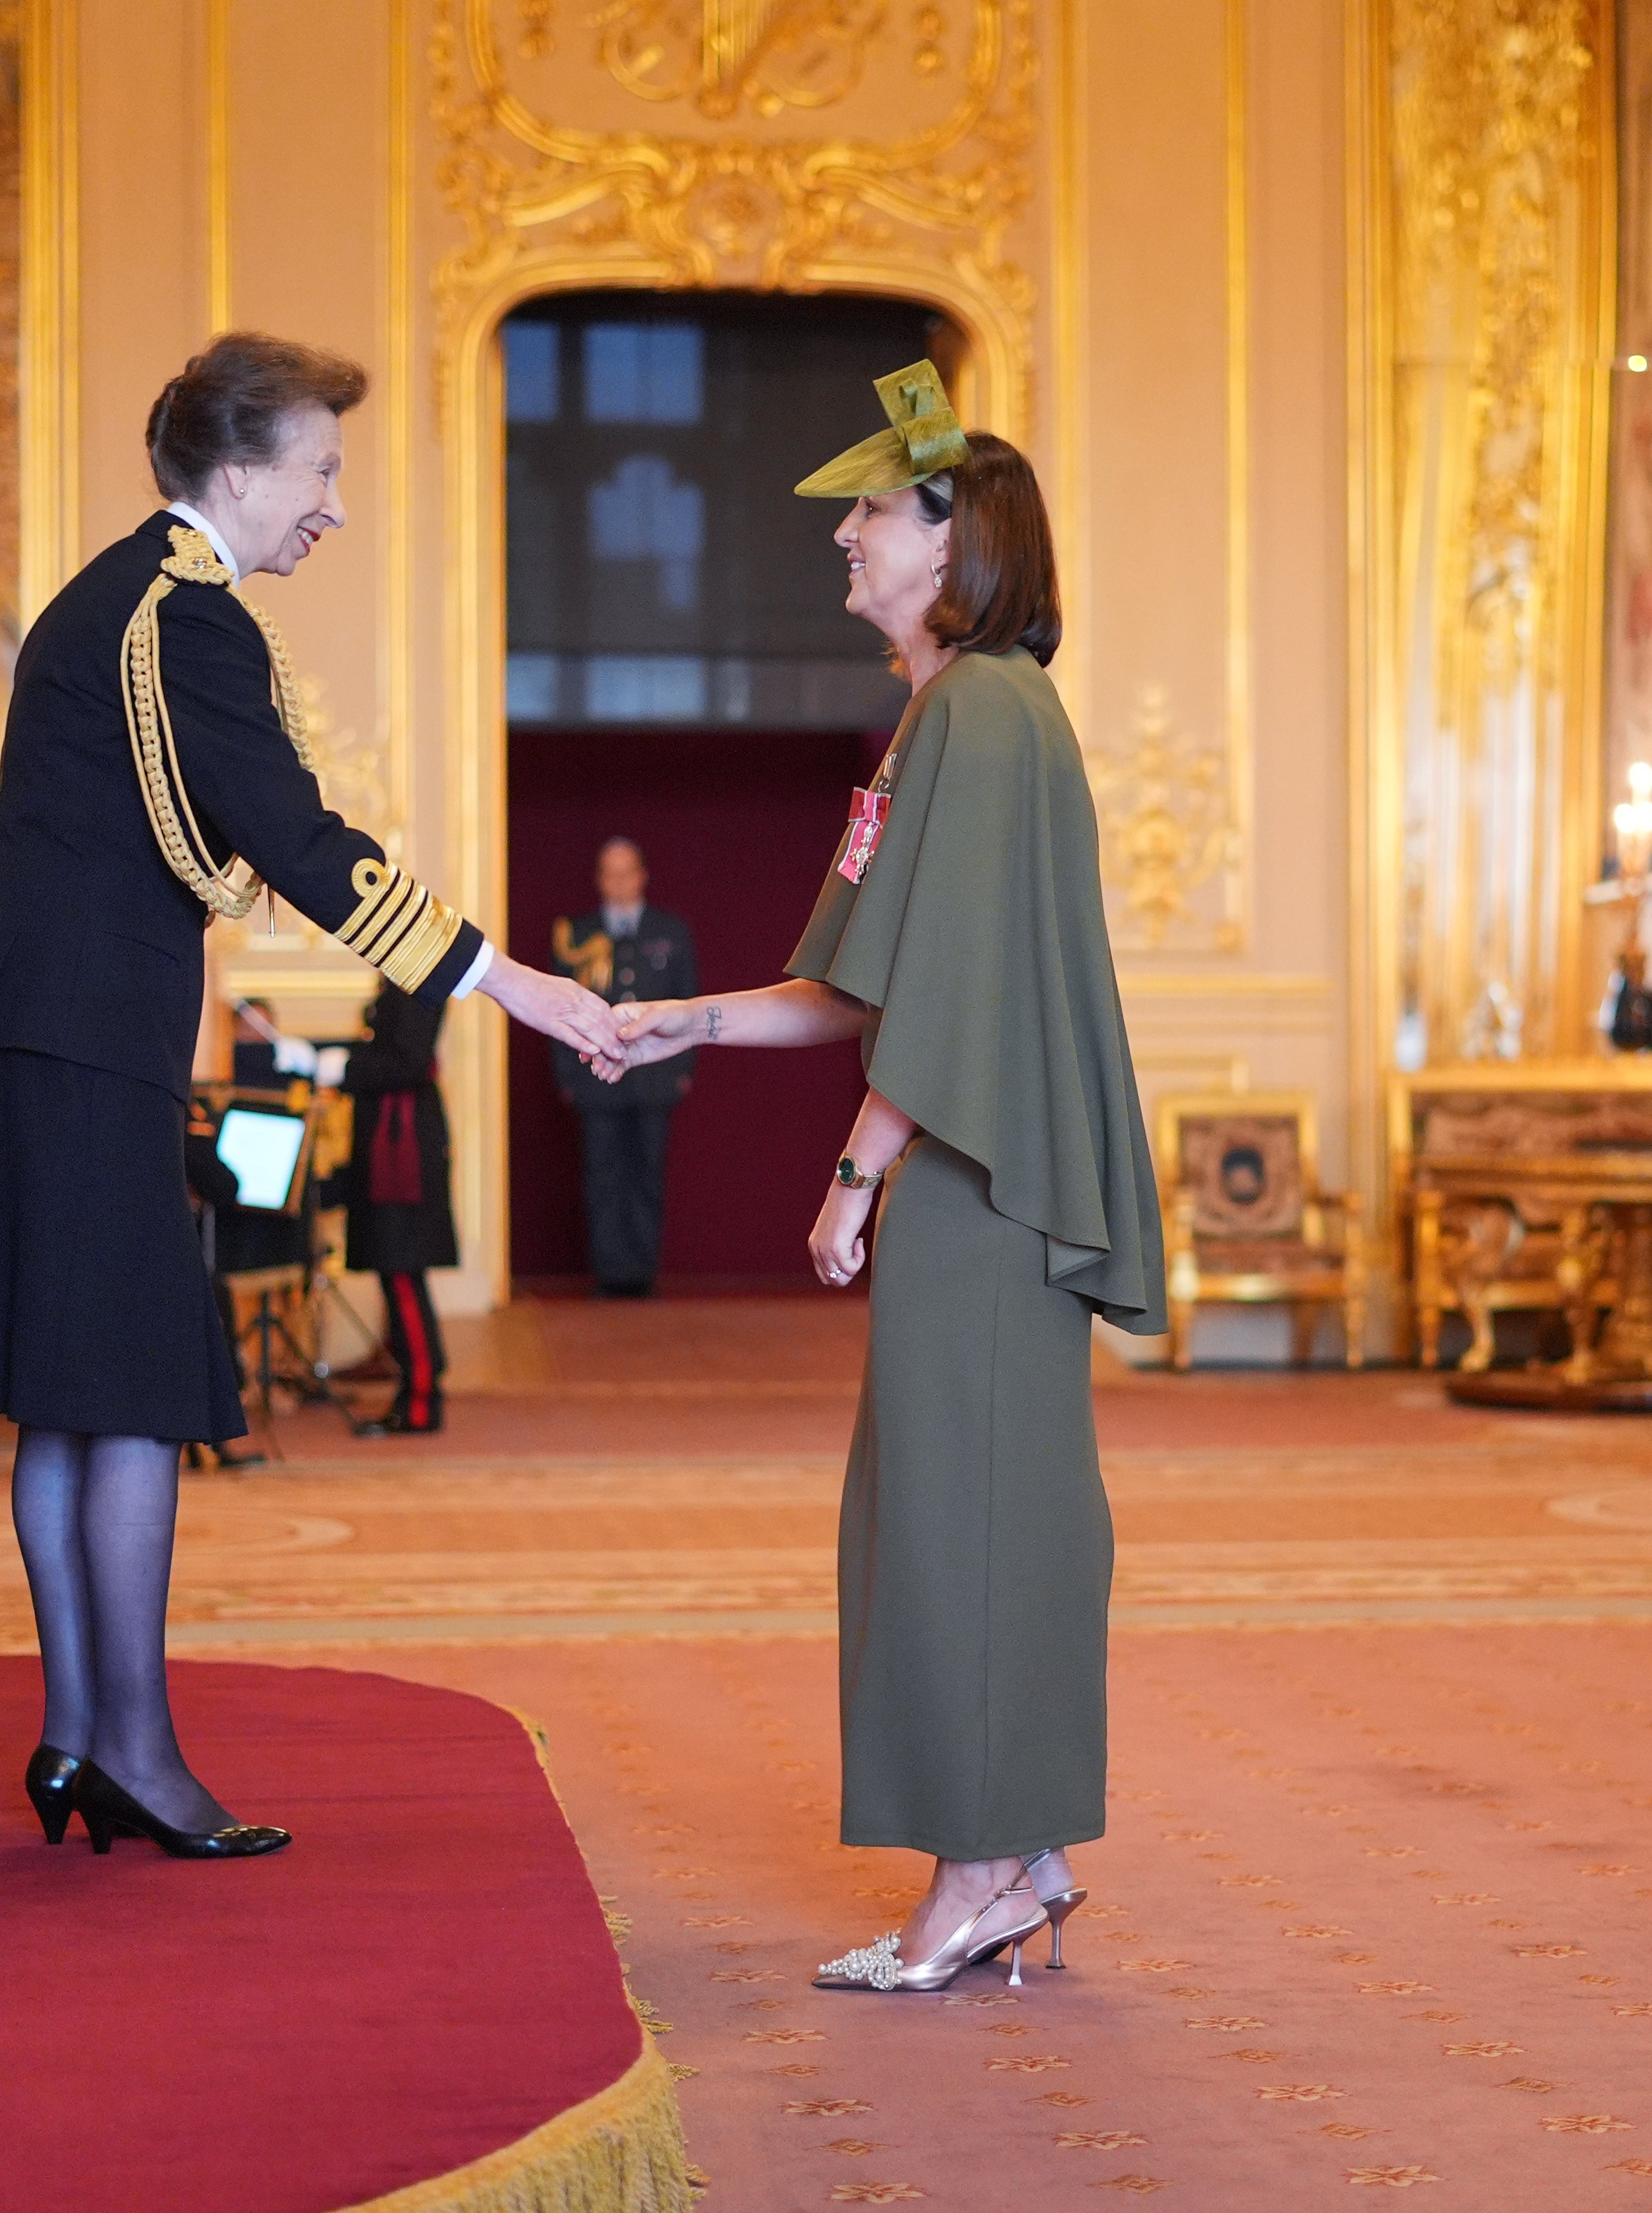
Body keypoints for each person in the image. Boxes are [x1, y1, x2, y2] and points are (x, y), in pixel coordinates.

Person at [0, 333, 621, 1858]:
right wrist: (514, 984)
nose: (332, 507)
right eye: (321, 470)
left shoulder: (111, 594)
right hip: (85, 1039)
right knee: (135, 1397)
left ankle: (83, 1738)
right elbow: (292, 834)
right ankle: (136, 1755)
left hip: (31, 1027)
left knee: (68, 1402)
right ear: (239, 470)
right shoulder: (189, 616)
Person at [616, 362, 1165, 1992]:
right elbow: (857, 980)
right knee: (947, 1515)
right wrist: (674, 1021)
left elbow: (950, 1003)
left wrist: (855, 1175)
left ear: (955, 538)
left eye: (869, 512)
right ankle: (1020, 1851)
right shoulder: (941, 719)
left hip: (978, 1187)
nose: (843, 541)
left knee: (967, 1523)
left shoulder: (983, 711)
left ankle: (979, 1876)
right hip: (967, 1180)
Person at [551, 837, 697, 1297]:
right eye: (609, 873)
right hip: (596, 1078)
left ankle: (641, 1274)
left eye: (626, 871)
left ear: (642, 875)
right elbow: (559, 1011)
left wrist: (682, 1070)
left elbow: (689, 1006)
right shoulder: (576, 937)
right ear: (599, 880)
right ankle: (610, 1274)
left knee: (647, 1175)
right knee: (602, 1176)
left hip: (654, 1080)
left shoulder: (670, 932)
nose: (618, 881)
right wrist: (568, 1077)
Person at [342, 980, 456, 1437]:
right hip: (396, 1140)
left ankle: (422, 1397)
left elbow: (405, 1062)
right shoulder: (406, 980)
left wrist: (342, 1068)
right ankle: (415, 1392)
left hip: (402, 1146)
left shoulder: (418, 980)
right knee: (399, 1274)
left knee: (403, 1272)